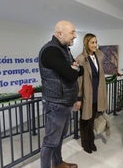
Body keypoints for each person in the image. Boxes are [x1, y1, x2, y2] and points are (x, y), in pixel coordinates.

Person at [38, 20, 84, 168]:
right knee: (50, 142)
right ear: (59, 33)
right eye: (72, 32)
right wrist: (74, 69)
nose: (75, 36)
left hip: (64, 103)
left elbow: (79, 70)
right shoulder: (51, 51)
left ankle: (58, 163)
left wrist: (74, 69)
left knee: (58, 138)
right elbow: (71, 75)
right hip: (56, 103)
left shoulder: (64, 49)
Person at [75, 33, 107, 154]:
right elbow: (78, 80)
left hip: (96, 96)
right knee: (85, 121)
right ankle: (85, 143)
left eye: (96, 42)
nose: (95, 45)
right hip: (85, 96)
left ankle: (91, 141)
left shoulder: (98, 56)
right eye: (92, 42)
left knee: (92, 120)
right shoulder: (80, 59)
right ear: (86, 43)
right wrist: (78, 98)